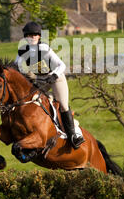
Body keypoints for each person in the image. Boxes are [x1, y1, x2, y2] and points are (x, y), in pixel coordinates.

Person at [15, 21, 85, 150]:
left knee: (63, 105)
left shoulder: (45, 49)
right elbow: (15, 67)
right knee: (32, 101)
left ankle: (74, 134)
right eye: (29, 35)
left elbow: (62, 65)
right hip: (41, 80)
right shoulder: (22, 51)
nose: (31, 38)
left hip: (56, 79)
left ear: (39, 36)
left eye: (34, 35)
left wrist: (54, 75)